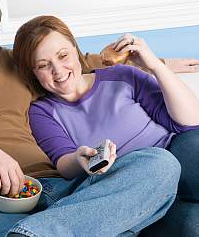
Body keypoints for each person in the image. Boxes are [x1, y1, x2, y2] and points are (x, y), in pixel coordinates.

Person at [0, 0, 198, 236]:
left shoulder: (11, 63)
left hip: (60, 190)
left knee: (159, 164)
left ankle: (39, 233)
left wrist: (159, 65)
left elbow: (73, 62)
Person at [13, 15, 199, 236]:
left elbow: (190, 121)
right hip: (130, 188)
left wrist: (154, 64)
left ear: (75, 49)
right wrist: (79, 159)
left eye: (63, 55)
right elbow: (64, 162)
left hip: (178, 159)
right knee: (193, 226)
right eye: (43, 65)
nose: (58, 70)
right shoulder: (42, 111)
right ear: (33, 72)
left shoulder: (122, 76)